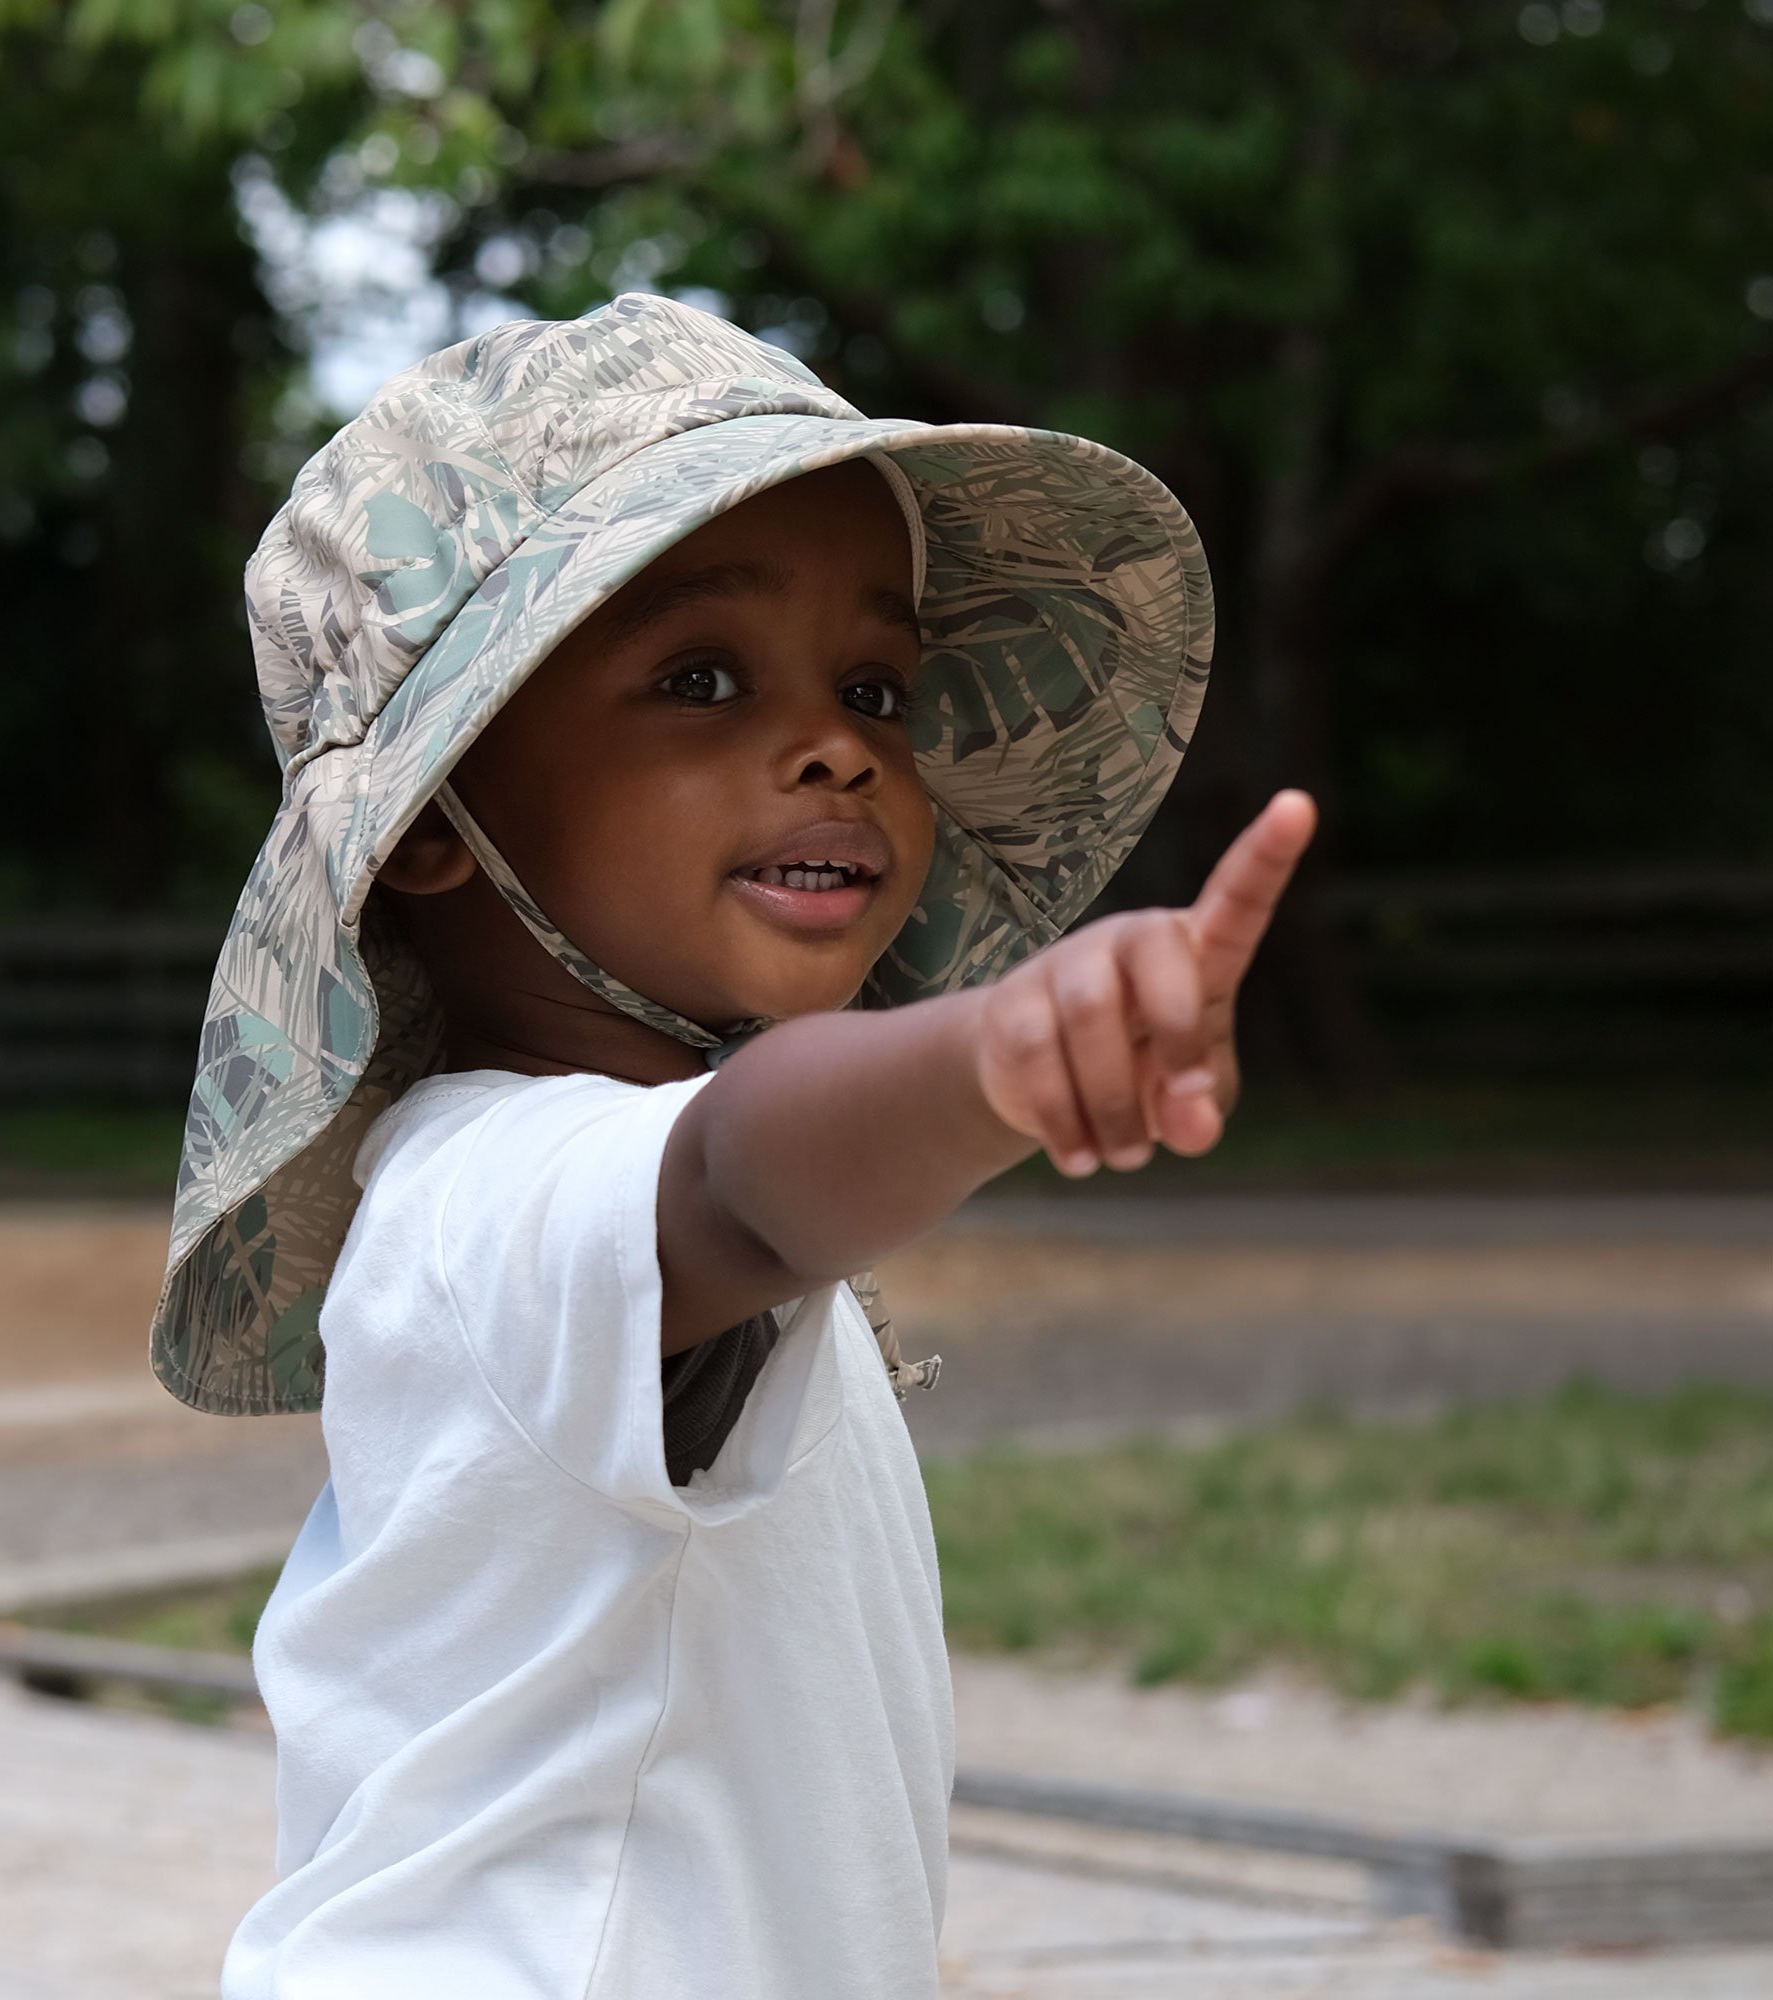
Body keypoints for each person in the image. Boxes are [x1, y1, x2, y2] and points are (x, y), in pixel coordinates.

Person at [149, 292, 1314, 1999]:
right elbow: (743, 1177)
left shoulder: (576, 1193)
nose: (842, 747)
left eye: (877, 688)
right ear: (432, 819)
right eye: (700, 678)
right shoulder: (489, 1200)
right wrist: (994, 1049)